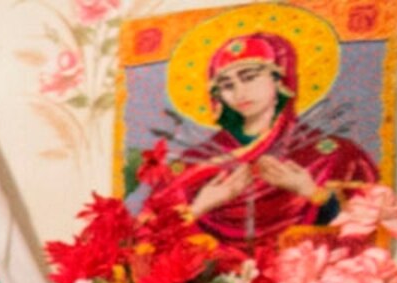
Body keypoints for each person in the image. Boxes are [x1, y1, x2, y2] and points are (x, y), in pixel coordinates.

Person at [147, 27, 379, 252]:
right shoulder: (195, 161)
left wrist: (311, 192)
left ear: (280, 79)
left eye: (249, 77)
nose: (239, 93)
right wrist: (200, 207)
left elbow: (366, 231)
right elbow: (149, 240)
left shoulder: (332, 154)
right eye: (227, 86)